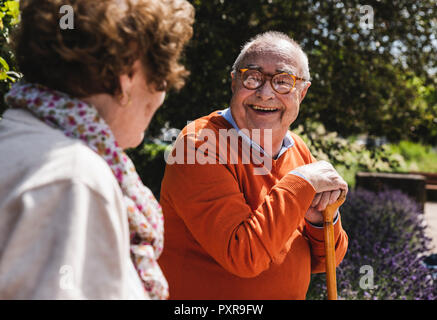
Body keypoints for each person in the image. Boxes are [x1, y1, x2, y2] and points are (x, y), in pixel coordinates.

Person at [0, 0, 194, 299]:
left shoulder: (19, 135)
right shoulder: (72, 180)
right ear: (129, 71)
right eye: (163, 73)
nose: (163, 92)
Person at [159, 31, 349, 299]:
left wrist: (319, 221)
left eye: (283, 81)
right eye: (253, 77)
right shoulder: (199, 144)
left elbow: (326, 260)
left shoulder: (298, 149)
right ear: (234, 82)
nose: (265, 93)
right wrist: (301, 184)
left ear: (302, 93)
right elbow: (243, 256)